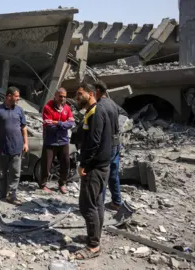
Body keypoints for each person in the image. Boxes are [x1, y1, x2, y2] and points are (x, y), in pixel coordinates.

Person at [73, 83, 113, 260]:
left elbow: (94, 142)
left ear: (91, 94)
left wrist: (84, 164)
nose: (77, 97)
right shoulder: (95, 111)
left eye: (80, 94)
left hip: (94, 167)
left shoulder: (96, 112)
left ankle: (93, 246)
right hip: (101, 165)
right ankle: (93, 237)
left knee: (87, 205)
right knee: (97, 204)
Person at [93, 81, 129, 211]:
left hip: (107, 146)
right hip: (116, 144)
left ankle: (99, 206)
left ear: (97, 91)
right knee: (113, 174)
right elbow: (124, 114)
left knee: (102, 174)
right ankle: (116, 202)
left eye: (92, 91)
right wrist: (118, 128)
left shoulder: (99, 106)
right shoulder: (112, 103)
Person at [0, 86, 28, 205]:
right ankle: (2, 193)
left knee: (15, 172)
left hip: (17, 147)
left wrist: (26, 142)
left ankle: (12, 195)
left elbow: (24, 127)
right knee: (2, 172)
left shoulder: (19, 110)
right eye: (16, 96)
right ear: (9, 96)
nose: (18, 98)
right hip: (2, 148)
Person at [40, 88, 75, 194]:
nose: (62, 98)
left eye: (64, 96)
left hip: (63, 141)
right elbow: (48, 125)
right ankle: (43, 185)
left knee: (65, 163)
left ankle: (62, 184)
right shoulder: (47, 108)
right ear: (55, 96)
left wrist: (58, 123)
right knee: (46, 164)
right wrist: (63, 125)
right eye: (60, 96)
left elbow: (71, 123)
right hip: (50, 141)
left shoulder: (67, 108)